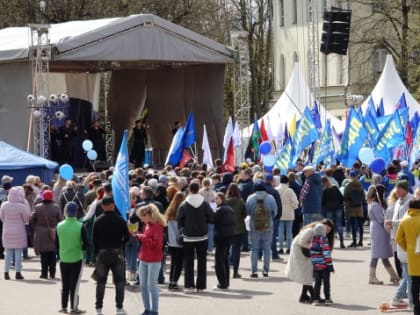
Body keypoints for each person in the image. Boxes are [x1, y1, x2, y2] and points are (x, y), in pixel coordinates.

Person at [92, 196, 130, 315]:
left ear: (102, 206)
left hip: (102, 253)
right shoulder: (120, 220)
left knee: (101, 282)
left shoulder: (98, 220)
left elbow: (94, 239)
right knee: (119, 282)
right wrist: (120, 245)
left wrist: (97, 252)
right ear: (113, 205)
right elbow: (127, 237)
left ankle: (99, 306)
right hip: (117, 252)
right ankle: (119, 306)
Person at [177, 182, 214, 293]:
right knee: (202, 262)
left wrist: (184, 228)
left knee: (188, 262)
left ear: (190, 190)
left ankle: (189, 286)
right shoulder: (204, 203)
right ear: (198, 189)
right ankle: (201, 286)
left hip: (188, 236)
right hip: (202, 236)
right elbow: (211, 217)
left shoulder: (184, 204)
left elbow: (180, 219)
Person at [56, 201, 89, 314]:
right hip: (76, 257)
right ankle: (73, 307)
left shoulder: (59, 226)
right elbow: (86, 244)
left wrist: (59, 254)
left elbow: (56, 244)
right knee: (74, 284)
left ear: (65, 212)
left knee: (65, 283)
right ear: (76, 213)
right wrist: (80, 246)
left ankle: (63, 306)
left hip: (63, 257)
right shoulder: (80, 226)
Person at [134, 204, 167, 315]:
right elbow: (148, 240)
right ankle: (147, 308)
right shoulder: (147, 225)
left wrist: (140, 237)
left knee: (152, 286)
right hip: (144, 257)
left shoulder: (157, 226)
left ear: (147, 215)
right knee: (143, 285)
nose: (141, 219)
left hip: (154, 259)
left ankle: (154, 310)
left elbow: (156, 245)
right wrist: (140, 236)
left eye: (142, 216)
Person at [367, 185, 399, 285]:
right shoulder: (376, 205)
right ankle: (372, 276)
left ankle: (393, 275)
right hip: (379, 230)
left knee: (383, 254)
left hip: (378, 229)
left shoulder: (373, 203)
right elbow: (381, 219)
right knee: (376, 254)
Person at [246, 181, 277, 278]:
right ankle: (266, 270)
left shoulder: (250, 198)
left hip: (254, 226)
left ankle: (254, 271)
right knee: (267, 249)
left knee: (254, 248)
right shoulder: (271, 198)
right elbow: (275, 212)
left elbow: (248, 212)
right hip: (268, 226)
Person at [395, 199, 420, 315]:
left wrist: (408, 247)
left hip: (412, 255)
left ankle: (416, 308)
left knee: (414, 283)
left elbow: (398, 238)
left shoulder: (405, 221)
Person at [31, 189, 62, 279]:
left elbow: (32, 219)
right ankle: (52, 273)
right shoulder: (56, 207)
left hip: (41, 232)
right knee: (53, 253)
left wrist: (36, 226)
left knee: (43, 254)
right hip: (53, 231)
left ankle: (44, 273)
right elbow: (60, 219)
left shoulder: (38, 207)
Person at [0, 187, 30, 280]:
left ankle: (6, 272)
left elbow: (2, 217)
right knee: (18, 252)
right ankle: (18, 272)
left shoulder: (4, 205)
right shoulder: (21, 206)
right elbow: (26, 219)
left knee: (8, 252)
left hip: (7, 229)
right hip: (19, 230)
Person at [285, 226, 315, 303]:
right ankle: (313, 296)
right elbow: (302, 242)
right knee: (308, 274)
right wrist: (313, 246)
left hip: (302, 252)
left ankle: (304, 296)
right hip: (300, 253)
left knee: (307, 274)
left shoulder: (314, 231)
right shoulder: (311, 231)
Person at [390, 180, 413, 279]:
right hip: (395, 235)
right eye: (396, 189)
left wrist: (393, 222)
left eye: (399, 189)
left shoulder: (411, 201)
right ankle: (402, 282)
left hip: (405, 236)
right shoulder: (398, 201)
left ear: (405, 190)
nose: (397, 191)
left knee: (405, 262)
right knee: (397, 259)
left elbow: (408, 220)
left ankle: (405, 285)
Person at [213, 192, 235, 289]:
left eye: (217, 198)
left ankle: (222, 282)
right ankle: (226, 281)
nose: (215, 200)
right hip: (230, 236)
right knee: (225, 259)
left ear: (221, 199)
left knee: (219, 260)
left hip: (221, 237)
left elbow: (214, 221)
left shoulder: (219, 210)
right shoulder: (230, 209)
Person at [165, 192, 185, 290]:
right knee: (179, 262)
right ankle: (174, 281)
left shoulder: (169, 210)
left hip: (171, 240)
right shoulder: (183, 210)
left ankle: (171, 281)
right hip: (180, 240)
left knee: (173, 261)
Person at [226, 183, 247, 278]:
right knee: (236, 250)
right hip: (239, 228)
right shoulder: (240, 201)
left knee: (226, 250)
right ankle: (235, 271)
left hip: (227, 228)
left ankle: (226, 270)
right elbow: (245, 214)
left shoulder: (225, 201)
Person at [310, 224, 335, 306]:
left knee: (317, 283)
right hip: (324, 266)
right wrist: (330, 266)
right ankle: (327, 298)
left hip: (316, 266)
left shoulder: (312, 240)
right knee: (326, 283)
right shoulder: (323, 240)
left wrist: (314, 264)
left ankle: (316, 299)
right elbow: (326, 254)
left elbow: (311, 254)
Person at [277, 175, 298, 254]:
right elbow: (295, 202)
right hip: (289, 212)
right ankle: (289, 248)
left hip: (279, 212)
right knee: (289, 231)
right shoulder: (290, 190)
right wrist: (294, 207)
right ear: (287, 182)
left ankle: (281, 248)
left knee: (281, 232)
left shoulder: (277, 190)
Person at [321, 176, 345, 248]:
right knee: (339, 224)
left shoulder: (324, 190)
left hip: (329, 208)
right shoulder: (335, 188)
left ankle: (329, 242)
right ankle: (341, 241)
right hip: (338, 208)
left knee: (328, 225)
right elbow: (341, 198)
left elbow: (323, 201)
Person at [343, 171, 366, 247]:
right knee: (360, 225)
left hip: (351, 207)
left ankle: (354, 242)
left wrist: (347, 204)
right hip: (359, 207)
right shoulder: (360, 185)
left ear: (350, 176)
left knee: (353, 225)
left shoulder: (348, 185)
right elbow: (363, 196)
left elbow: (345, 196)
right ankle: (361, 241)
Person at [263, 173, 282, 260]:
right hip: (273, 217)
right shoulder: (274, 192)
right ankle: (274, 254)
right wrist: (278, 216)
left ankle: (259, 254)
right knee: (272, 235)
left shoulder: (260, 191)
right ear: (272, 181)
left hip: (262, 216)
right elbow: (278, 205)